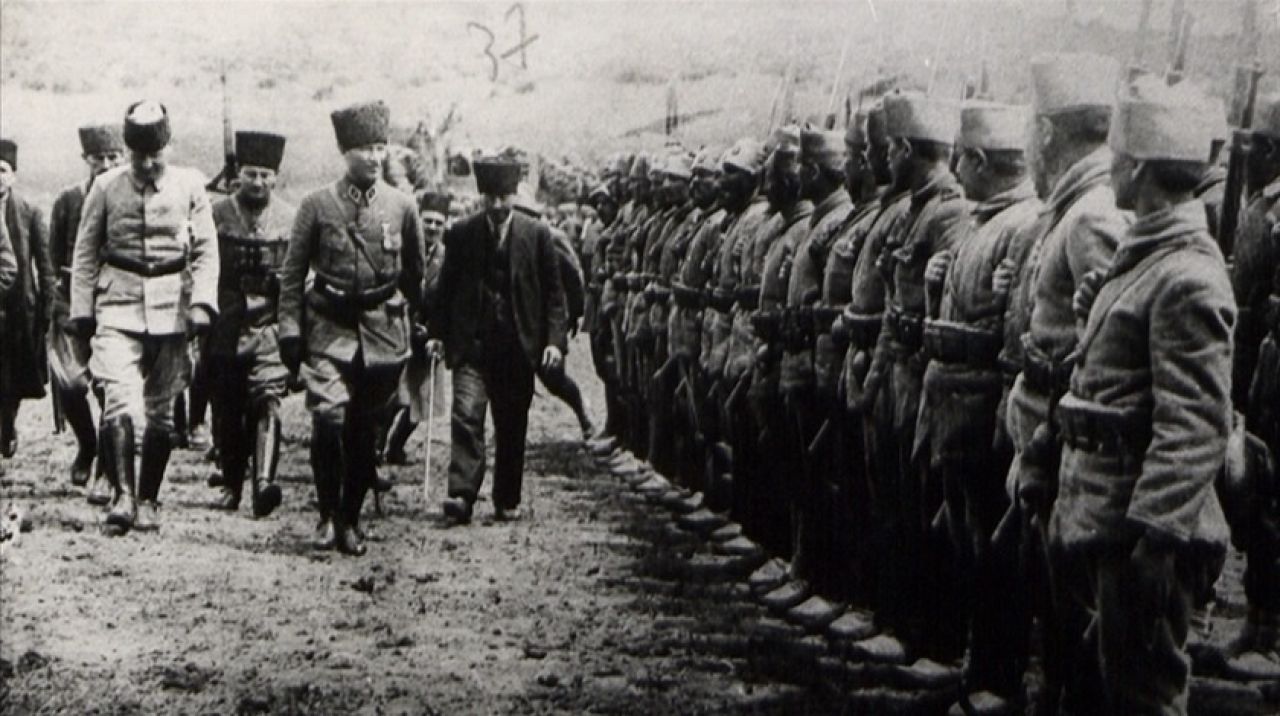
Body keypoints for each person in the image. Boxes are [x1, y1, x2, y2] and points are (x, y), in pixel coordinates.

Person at [1050, 77, 1233, 714]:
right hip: (1107, 512)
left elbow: (1196, 424)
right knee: (1106, 686)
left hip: (1139, 529)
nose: (1111, 171)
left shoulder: (1186, 276)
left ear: (1140, 170)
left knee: (1143, 695)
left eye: (1120, 160)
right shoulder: (1149, 259)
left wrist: (1156, 542)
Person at [1000, 53, 1126, 713]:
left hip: (1066, 439)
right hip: (1046, 431)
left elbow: (1109, 350)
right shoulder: (1073, 208)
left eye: (1031, 127)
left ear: (1047, 132)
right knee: (1053, 600)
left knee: (1075, 611)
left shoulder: (1092, 215)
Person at [918, 100, 1041, 713]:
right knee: (969, 542)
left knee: (996, 552)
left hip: (986, 406)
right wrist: (934, 287)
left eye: (962, 160)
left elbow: (1013, 328)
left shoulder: (1023, 224)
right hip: (957, 402)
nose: (955, 170)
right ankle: (977, 663)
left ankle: (999, 674)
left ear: (981, 160)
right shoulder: (979, 220)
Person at [278, 100, 426, 556]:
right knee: (328, 417)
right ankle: (326, 513)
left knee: (364, 430)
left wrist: (421, 328)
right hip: (329, 326)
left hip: (382, 334)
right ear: (345, 152)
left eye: (380, 147)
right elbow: (292, 275)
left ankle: (350, 518)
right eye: (364, 149)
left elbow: (415, 276)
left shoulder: (402, 206)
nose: (374, 157)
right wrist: (290, 329)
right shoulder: (316, 205)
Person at [67, 100, 220, 533]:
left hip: (172, 308)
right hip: (118, 303)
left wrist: (202, 302)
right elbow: (85, 252)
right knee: (118, 398)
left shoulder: (190, 186)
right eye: (139, 156)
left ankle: (149, 498)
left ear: (169, 146)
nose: (148, 164)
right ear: (129, 151)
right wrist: (82, 311)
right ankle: (123, 496)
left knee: (161, 411)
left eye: (156, 154)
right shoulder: (106, 187)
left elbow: (206, 250)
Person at [428, 153, 567, 524]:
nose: (496, 205)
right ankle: (462, 494)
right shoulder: (462, 233)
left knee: (511, 424)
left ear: (514, 195)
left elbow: (554, 294)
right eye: (489, 197)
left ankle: (506, 497)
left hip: (518, 347)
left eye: (503, 197)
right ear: (481, 196)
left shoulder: (537, 235)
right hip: (472, 344)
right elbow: (445, 290)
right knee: (466, 415)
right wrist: (437, 334)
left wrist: (554, 342)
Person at [1220, 94, 1280, 681]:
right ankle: (1257, 624)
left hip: (1274, 372)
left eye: (1259, 147)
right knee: (1254, 498)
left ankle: (1271, 637)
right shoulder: (1259, 205)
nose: (1251, 156)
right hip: (1253, 367)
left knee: (1272, 501)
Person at [208, 131, 296, 516]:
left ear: (275, 177)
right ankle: (232, 482)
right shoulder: (216, 214)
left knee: (268, 396)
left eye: (265, 175)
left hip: (269, 322)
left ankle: (263, 482)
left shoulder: (291, 218)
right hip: (226, 322)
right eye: (250, 174)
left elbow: (301, 272)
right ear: (238, 175)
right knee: (228, 405)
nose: (258, 182)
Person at [47, 124, 125, 495]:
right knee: (71, 382)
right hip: (71, 299)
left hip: (113, 300)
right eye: (98, 158)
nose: (106, 165)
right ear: (86, 160)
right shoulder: (68, 200)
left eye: (113, 157)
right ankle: (87, 444)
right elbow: (53, 255)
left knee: (111, 386)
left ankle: (107, 471)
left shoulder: (128, 198)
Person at [381, 191, 449, 465]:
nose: (432, 227)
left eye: (438, 223)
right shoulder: (403, 249)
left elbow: (449, 301)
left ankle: (396, 446)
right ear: (418, 221)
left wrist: (434, 332)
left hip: (428, 337)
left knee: (422, 400)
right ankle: (374, 446)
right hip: (397, 332)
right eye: (427, 221)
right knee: (394, 397)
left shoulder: (448, 259)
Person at [0, 138, 56, 459]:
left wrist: (48, 306)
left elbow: (45, 264)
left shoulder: (29, 211)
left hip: (21, 308)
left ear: (13, 176)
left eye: (2, 170)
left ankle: (8, 423)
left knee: (14, 375)